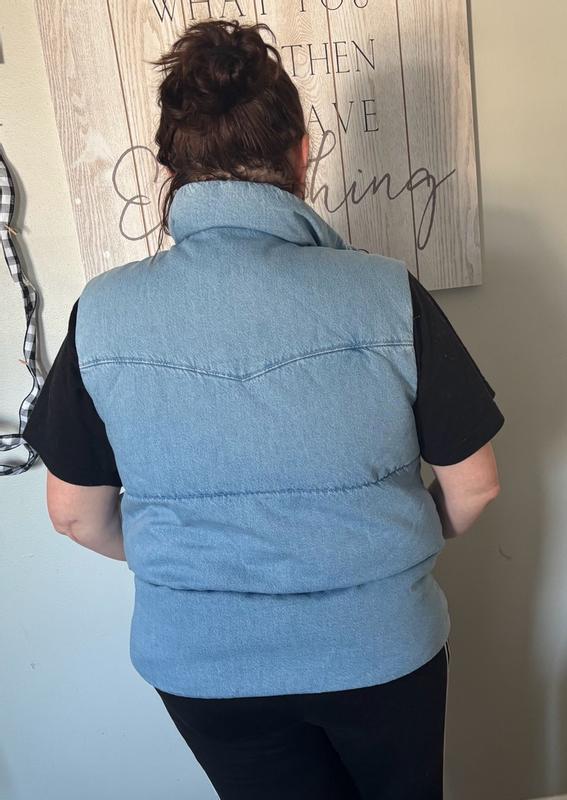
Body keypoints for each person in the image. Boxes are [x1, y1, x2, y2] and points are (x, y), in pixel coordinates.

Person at [22, 18, 504, 800]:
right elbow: (474, 485)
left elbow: (75, 516)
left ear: (168, 169)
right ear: (301, 154)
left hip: (201, 665)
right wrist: (398, 542)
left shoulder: (103, 313)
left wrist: (193, 569)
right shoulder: (385, 292)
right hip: (379, 645)